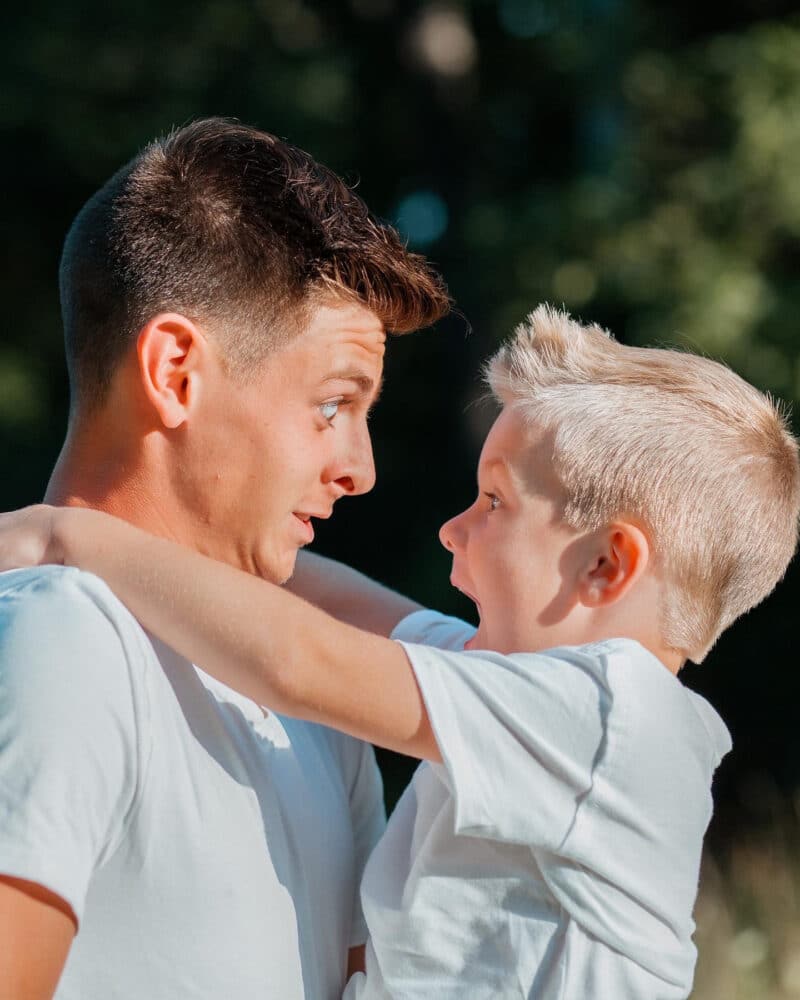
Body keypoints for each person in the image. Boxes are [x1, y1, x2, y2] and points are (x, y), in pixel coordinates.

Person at [4, 306, 798, 999]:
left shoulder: (612, 721)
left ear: (605, 566)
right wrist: (207, 533)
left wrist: (67, 535)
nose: (454, 529)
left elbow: (303, 660)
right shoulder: (530, 694)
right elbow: (348, 608)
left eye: (494, 502)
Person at [0, 117, 450, 999]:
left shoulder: (314, 709)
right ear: (174, 372)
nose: (358, 469)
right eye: (332, 405)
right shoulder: (62, 639)